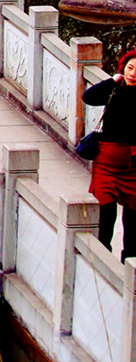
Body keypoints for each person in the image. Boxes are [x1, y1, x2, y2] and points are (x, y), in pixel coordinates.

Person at [84, 49, 136, 260]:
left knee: (133, 222)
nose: (133, 73)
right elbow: (88, 97)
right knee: (106, 215)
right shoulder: (114, 89)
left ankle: (130, 266)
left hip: (133, 168)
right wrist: (111, 81)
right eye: (130, 68)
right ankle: (103, 261)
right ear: (123, 68)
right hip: (106, 163)